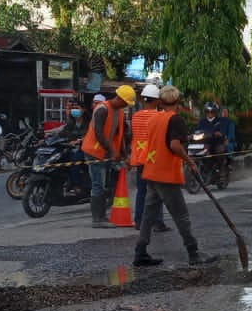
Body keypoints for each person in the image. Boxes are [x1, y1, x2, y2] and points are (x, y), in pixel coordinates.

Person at [134, 85, 209, 267]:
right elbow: (175, 145)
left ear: (160, 101)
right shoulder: (175, 120)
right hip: (166, 174)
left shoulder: (154, 119)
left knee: (148, 215)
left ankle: (140, 252)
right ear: (177, 101)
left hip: (152, 171)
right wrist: (190, 161)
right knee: (181, 215)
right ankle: (194, 253)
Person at [83, 85, 135, 228]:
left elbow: (120, 136)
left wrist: (125, 157)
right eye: (125, 103)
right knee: (98, 184)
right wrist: (113, 151)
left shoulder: (120, 112)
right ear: (120, 98)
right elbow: (99, 133)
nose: (126, 106)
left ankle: (103, 214)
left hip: (106, 152)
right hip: (94, 151)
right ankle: (97, 219)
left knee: (108, 181)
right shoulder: (102, 109)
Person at [127, 84, 169, 234]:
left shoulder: (135, 116)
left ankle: (138, 221)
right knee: (157, 192)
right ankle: (158, 222)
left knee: (142, 191)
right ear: (157, 100)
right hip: (154, 158)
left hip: (139, 158)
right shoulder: (159, 116)